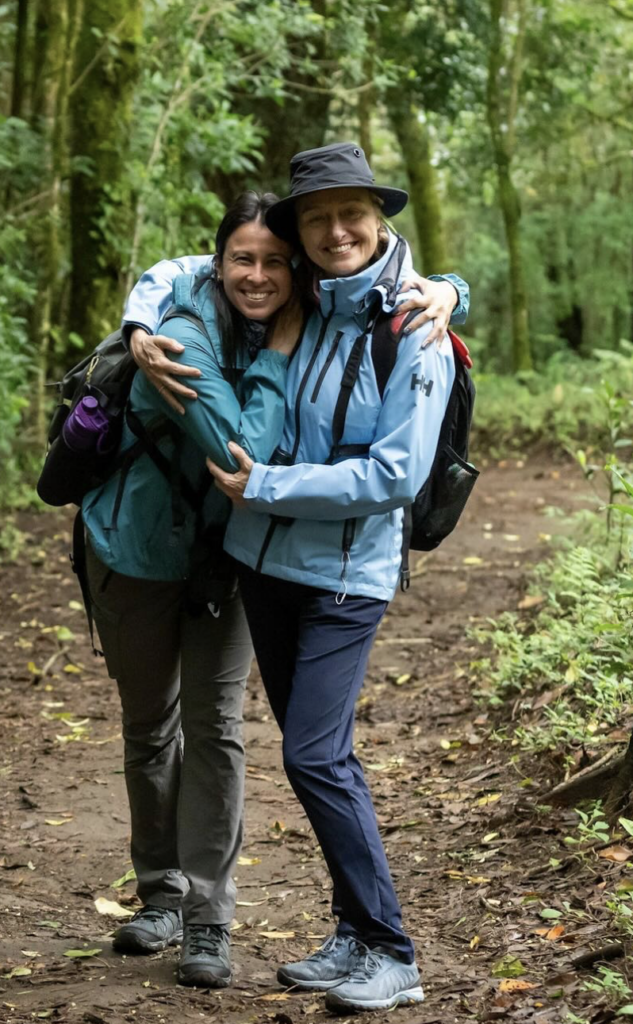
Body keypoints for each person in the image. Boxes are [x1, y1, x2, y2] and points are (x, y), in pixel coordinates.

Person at [202, 142, 457, 1012]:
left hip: (347, 575)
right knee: (317, 757)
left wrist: (266, 486)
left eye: (352, 213)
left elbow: (395, 475)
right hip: (262, 567)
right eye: (315, 216)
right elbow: (191, 269)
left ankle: (391, 949)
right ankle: (351, 934)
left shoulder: (413, 330)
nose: (335, 230)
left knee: (314, 755)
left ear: (380, 220)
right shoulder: (302, 302)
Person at [81, 191, 301, 989]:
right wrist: (279, 355)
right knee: (151, 727)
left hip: (224, 562)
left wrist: (450, 288)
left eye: (275, 260)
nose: (257, 273)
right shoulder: (177, 334)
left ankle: (208, 917)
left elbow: (383, 258)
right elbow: (244, 453)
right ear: (217, 264)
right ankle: (160, 895)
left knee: (215, 729)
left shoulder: (286, 310)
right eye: (243, 257)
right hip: (130, 555)